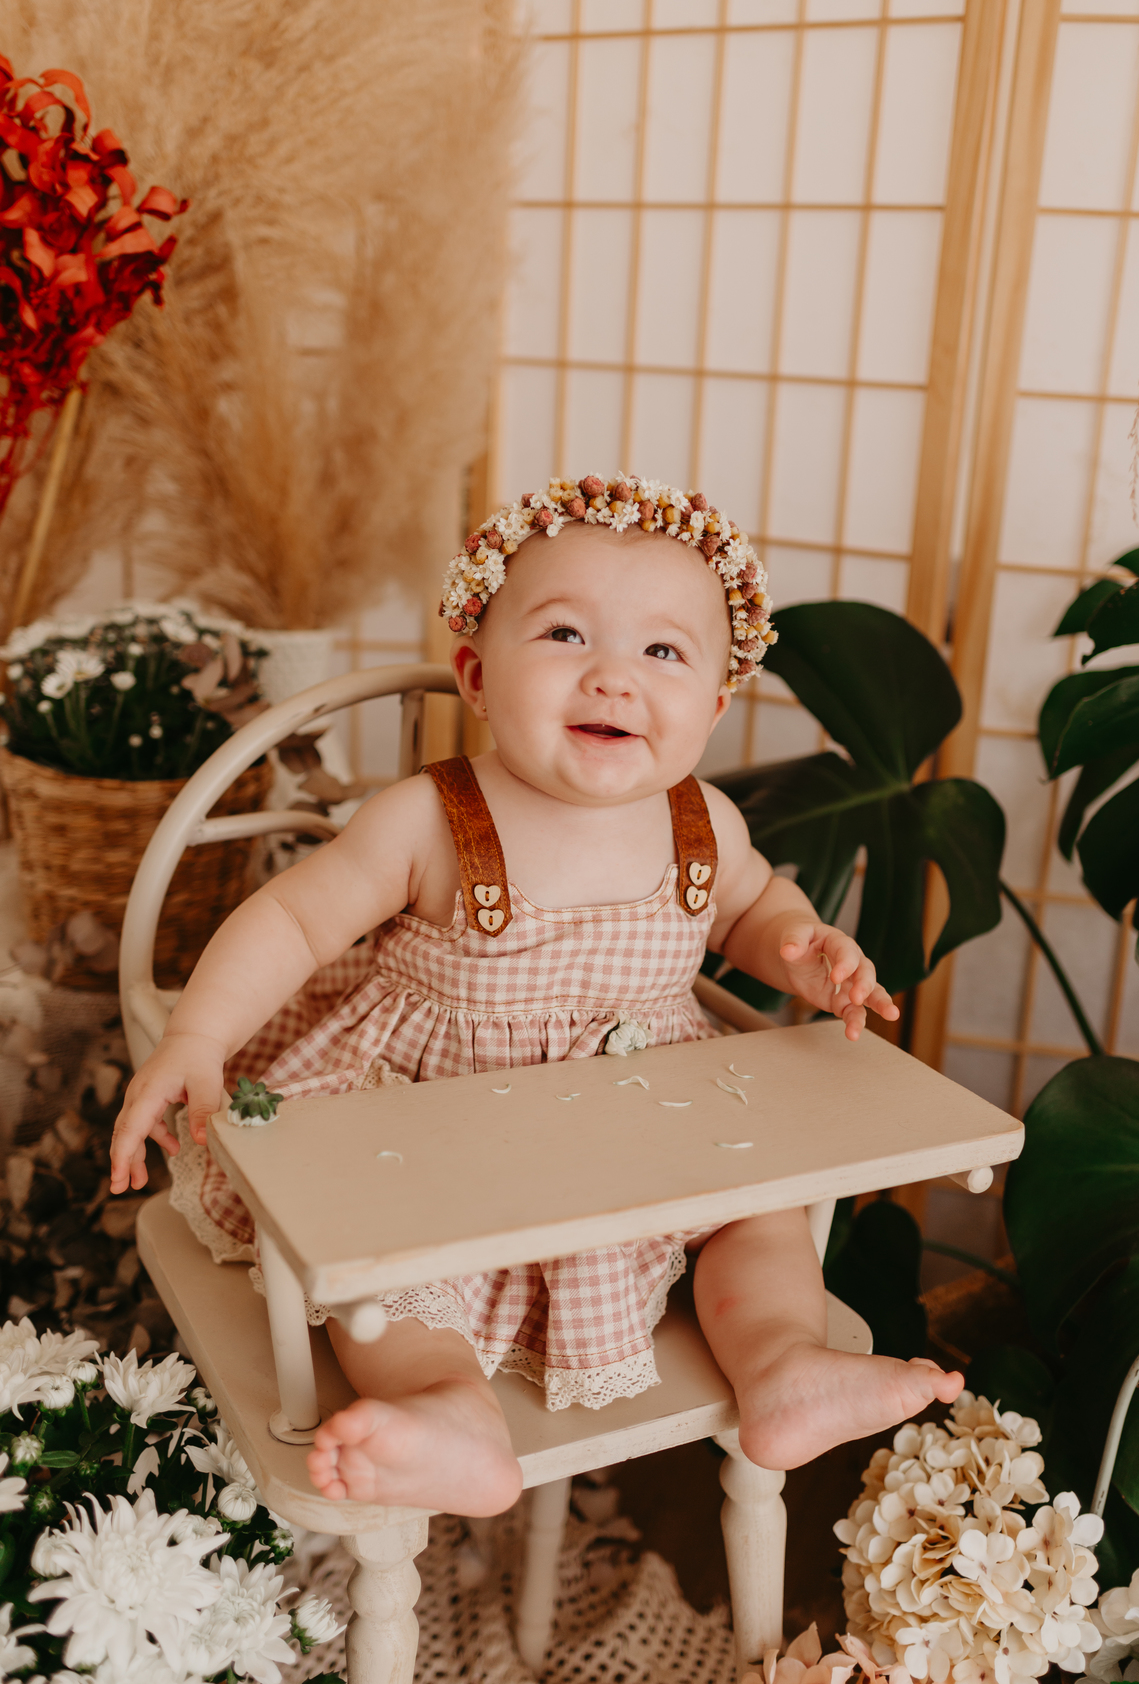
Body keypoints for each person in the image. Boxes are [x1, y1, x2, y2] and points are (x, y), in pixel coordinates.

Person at [110, 473, 962, 1517]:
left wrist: (805, 948)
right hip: (433, 1122)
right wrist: (197, 1034)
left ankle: (783, 1362)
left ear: (715, 702)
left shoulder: (704, 823)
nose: (613, 679)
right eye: (565, 635)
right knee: (384, 1277)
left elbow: (752, 913)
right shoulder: (432, 818)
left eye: (662, 652)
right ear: (474, 672)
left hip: (644, 1127)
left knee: (759, 1216)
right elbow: (295, 918)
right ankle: (447, 1407)